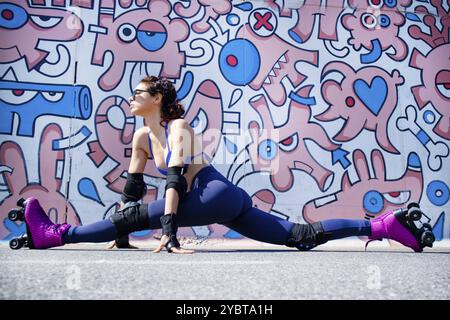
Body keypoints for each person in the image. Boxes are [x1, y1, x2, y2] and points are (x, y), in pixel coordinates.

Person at [13, 76, 433, 253]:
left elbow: (175, 180)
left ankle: (54, 235)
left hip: (212, 191)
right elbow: (133, 191)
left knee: (145, 215)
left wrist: (169, 234)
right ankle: (381, 227)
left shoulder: (177, 127)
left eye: (139, 93)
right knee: (298, 237)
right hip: (226, 200)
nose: (132, 98)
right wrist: (122, 235)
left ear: (157, 99)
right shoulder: (142, 137)